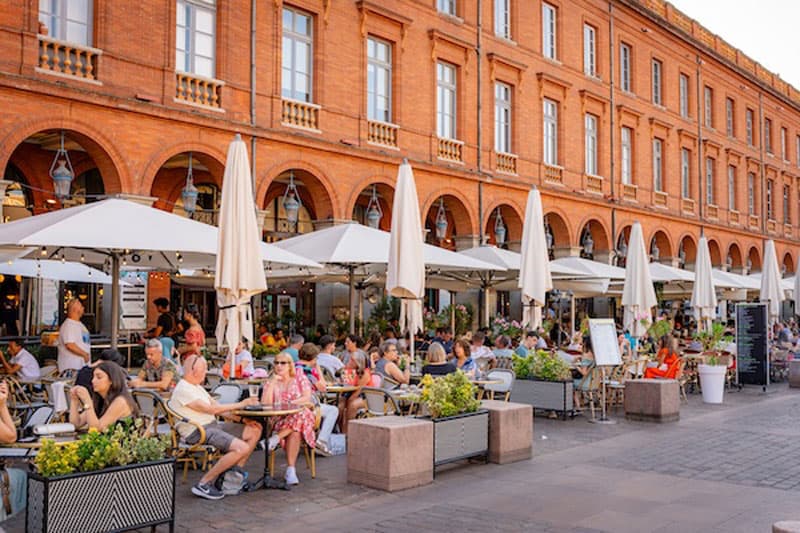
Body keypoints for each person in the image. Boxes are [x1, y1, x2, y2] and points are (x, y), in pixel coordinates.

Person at [172, 355, 261, 500]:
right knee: (242, 448)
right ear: (194, 371)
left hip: (212, 426)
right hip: (198, 431)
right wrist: (241, 404)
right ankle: (204, 483)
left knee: (255, 429)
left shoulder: (197, 387)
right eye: (204, 369)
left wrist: (243, 420)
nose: (206, 372)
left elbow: (217, 408)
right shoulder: (183, 389)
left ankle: (232, 475)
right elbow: (210, 410)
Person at [262, 351, 316, 485]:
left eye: (283, 363)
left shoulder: (299, 377)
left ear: (290, 365)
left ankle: (275, 439)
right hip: (280, 419)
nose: (279, 366)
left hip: (300, 415)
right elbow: (266, 404)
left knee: (299, 413)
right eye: (276, 363)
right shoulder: (271, 381)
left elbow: (306, 397)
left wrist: (290, 406)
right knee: (295, 432)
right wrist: (273, 383)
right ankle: (290, 471)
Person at [69, 361, 138, 431]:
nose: (93, 381)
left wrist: (87, 401)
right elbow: (76, 424)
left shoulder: (121, 401)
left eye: (99, 377)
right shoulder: (99, 399)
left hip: (120, 441)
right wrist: (74, 400)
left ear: (111, 380)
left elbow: (97, 429)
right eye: (93, 377)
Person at [294, 343, 337, 456]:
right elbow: (322, 387)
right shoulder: (307, 372)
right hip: (306, 406)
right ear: (313, 358)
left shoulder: (294, 367)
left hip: (293, 404)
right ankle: (321, 441)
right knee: (333, 410)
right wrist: (317, 368)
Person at [338, 350, 371, 434]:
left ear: (358, 362)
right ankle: (340, 430)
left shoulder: (364, 374)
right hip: (353, 394)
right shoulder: (353, 372)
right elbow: (347, 385)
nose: (349, 361)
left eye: (352, 360)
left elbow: (358, 391)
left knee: (352, 404)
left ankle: (348, 431)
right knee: (341, 404)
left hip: (368, 396)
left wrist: (348, 401)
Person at [57, 298, 91, 373]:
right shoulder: (69, 325)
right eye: (81, 306)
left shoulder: (78, 324)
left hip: (80, 366)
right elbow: (70, 344)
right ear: (75, 309)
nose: (83, 308)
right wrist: (84, 354)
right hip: (72, 368)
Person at [572, 336, 596, 410]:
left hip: (586, 383)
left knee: (570, 384)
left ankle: (577, 407)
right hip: (594, 382)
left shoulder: (586, 356)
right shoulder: (596, 355)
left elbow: (584, 373)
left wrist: (576, 366)